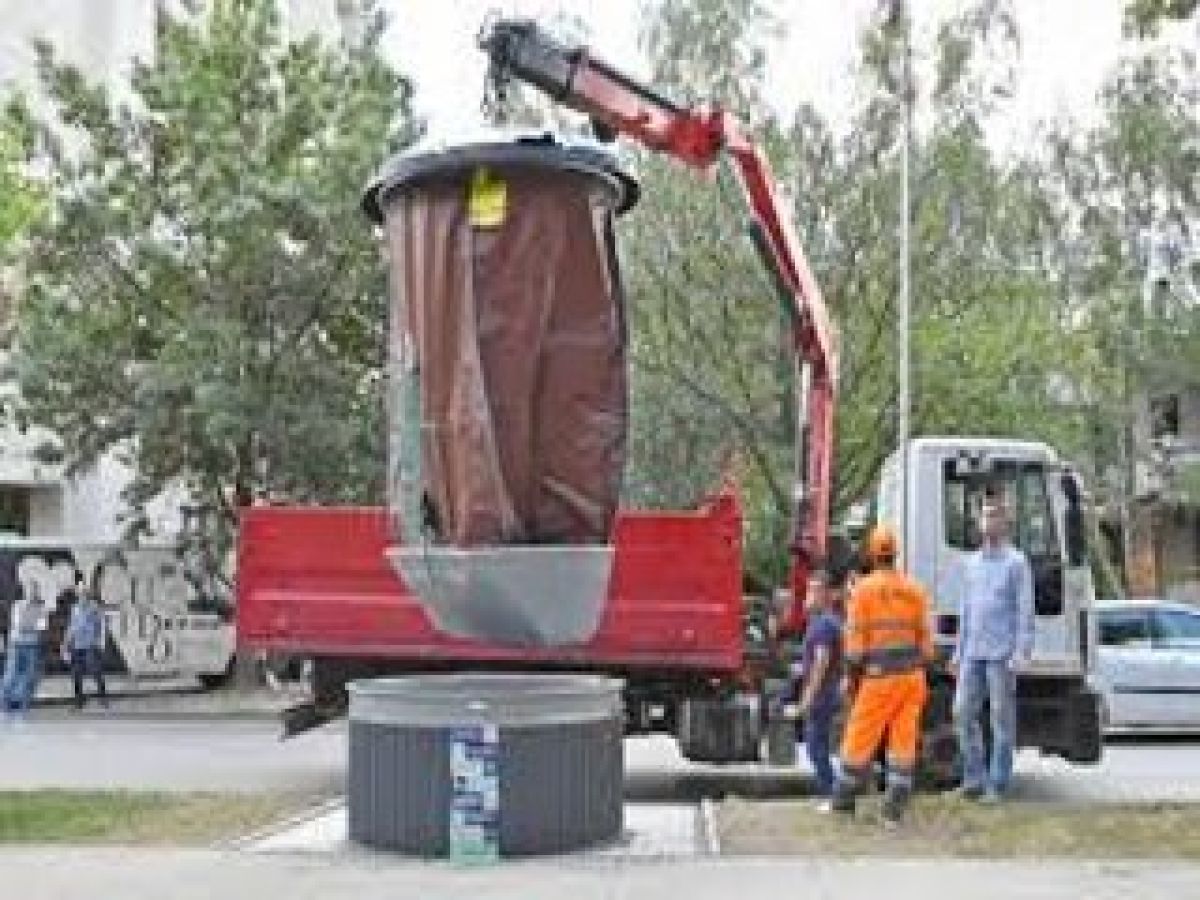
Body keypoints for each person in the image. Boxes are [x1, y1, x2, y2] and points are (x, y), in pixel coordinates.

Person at [831, 525, 933, 827]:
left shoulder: (863, 591)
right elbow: (927, 647)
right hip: (912, 679)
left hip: (879, 679)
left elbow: (854, 648)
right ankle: (893, 808)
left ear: (872, 554)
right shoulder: (915, 590)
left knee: (859, 736)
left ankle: (843, 800)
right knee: (903, 739)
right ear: (895, 554)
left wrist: (850, 679)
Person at [951, 492, 1034, 803]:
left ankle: (997, 784)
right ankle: (973, 778)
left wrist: (1022, 651)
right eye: (985, 515)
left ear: (1005, 522)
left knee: (1001, 719)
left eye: (995, 515)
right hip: (972, 652)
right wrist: (958, 652)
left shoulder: (1017, 563)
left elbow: (1025, 610)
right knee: (962, 713)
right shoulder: (971, 564)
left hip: (1002, 653)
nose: (989, 521)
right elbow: (966, 610)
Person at [792, 566, 846, 809]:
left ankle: (833, 795)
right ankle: (832, 793)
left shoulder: (824, 624)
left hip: (822, 694)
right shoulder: (822, 622)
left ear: (827, 595)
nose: (808, 596)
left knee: (816, 747)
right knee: (817, 746)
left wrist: (807, 699)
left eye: (814, 591)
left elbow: (821, 663)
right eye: (808, 590)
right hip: (825, 692)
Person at [62, 571, 108, 710]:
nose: (82, 594)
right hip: (77, 644)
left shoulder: (94, 606)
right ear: (77, 593)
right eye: (80, 592)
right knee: (76, 673)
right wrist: (65, 644)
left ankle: (102, 697)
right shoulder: (75, 608)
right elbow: (71, 626)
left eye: (84, 592)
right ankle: (79, 700)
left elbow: (101, 624)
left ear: (87, 593)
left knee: (95, 671)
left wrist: (101, 641)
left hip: (90, 644)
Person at [2, 583, 48, 721]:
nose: (33, 593)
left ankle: (21, 705)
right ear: (26, 591)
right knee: (11, 675)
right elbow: (19, 624)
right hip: (16, 644)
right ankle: (4, 704)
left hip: (32, 645)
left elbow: (42, 626)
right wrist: (32, 624)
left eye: (35, 590)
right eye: (30, 590)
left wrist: (31, 625)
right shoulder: (18, 606)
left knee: (28, 676)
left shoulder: (41, 608)